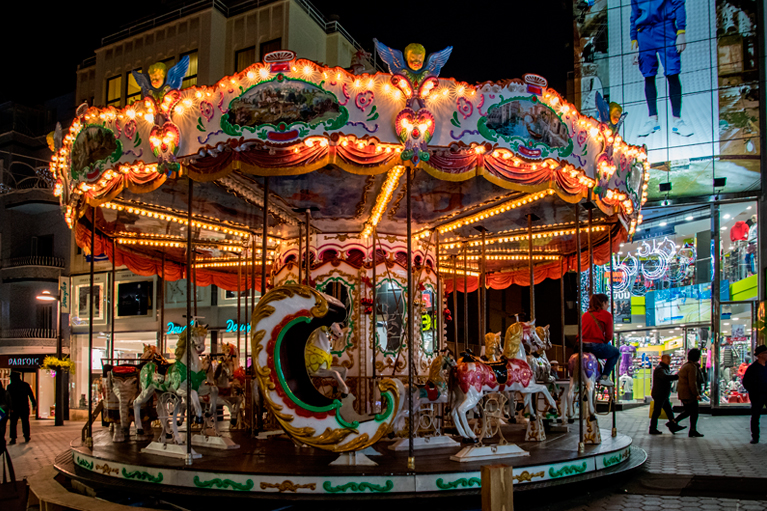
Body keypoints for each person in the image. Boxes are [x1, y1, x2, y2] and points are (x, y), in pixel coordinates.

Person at [630, 0, 694, 138]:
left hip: (665, 28)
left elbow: (678, 4)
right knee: (648, 76)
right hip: (644, 33)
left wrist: (681, 31)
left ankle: (678, 121)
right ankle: (652, 119)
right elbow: (634, 14)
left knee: (672, 73)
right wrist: (634, 41)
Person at [581, 293, 619, 387]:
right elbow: (609, 335)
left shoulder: (585, 315)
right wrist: (604, 343)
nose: (608, 306)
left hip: (582, 346)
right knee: (616, 352)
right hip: (596, 346)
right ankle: (604, 377)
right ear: (603, 303)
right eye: (607, 304)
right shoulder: (606, 315)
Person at [649, 354, 686, 434]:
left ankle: (673, 426)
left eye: (670, 359)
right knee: (657, 411)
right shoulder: (660, 369)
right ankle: (652, 428)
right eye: (668, 359)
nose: (669, 361)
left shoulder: (663, 368)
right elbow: (665, 377)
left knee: (669, 411)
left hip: (663, 394)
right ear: (663, 360)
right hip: (660, 394)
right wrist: (676, 376)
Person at [675, 348, 704, 437]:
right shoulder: (691, 367)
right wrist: (696, 394)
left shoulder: (687, 366)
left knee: (688, 411)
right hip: (689, 394)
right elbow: (692, 382)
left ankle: (674, 423)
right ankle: (691, 429)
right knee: (693, 412)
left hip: (685, 393)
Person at [742, 344, 767, 444]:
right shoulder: (752, 368)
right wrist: (753, 390)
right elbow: (746, 382)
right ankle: (755, 437)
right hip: (757, 395)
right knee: (756, 416)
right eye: (765, 353)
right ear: (760, 355)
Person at [7, 372, 36, 444]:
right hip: (24, 406)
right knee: (25, 422)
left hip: (14, 407)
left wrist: (9, 407)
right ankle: (26, 436)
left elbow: (8, 398)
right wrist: (34, 404)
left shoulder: (10, 386)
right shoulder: (25, 385)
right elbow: (31, 395)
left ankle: (13, 438)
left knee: (13, 423)